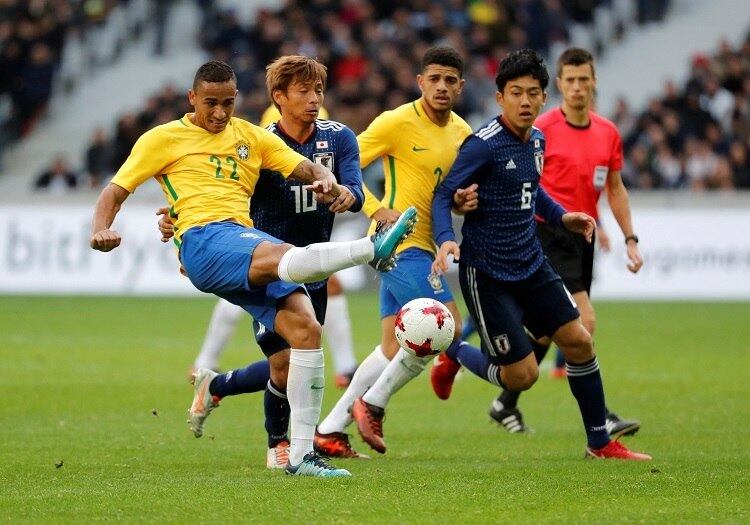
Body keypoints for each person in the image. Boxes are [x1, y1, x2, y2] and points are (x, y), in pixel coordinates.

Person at [90, 60, 417, 478]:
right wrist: (101, 229)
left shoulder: (251, 137)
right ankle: (370, 249)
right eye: (210, 103)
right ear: (192, 98)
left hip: (245, 243)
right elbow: (114, 191)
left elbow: (305, 166)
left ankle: (300, 457)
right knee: (284, 258)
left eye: (228, 103)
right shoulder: (162, 138)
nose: (220, 113)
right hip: (207, 240)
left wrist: (325, 181)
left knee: (306, 333)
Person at [430, 49, 651, 460]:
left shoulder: (538, 139)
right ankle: (455, 352)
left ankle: (599, 443)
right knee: (524, 375)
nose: (526, 101)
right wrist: (446, 238)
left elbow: (534, 193)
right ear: (500, 97)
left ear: (543, 97)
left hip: (532, 264)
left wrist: (563, 216)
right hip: (488, 273)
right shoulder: (482, 145)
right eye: (516, 93)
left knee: (579, 342)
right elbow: (443, 194)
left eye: (533, 93)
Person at [160, 56, 363, 469]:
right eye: (303, 91)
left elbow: (356, 188)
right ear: (279, 97)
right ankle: (279, 446)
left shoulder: (340, 139)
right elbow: (218, 196)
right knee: (283, 364)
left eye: (318, 91)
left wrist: (347, 196)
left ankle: (216, 384)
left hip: (317, 265)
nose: (313, 100)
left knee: (299, 356)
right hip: (266, 264)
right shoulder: (254, 142)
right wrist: (179, 226)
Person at [314, 46, 482, 457]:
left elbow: (448, 195)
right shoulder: (397, 122)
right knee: (444, 326)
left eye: (450, 80)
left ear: (460, 86)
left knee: (393, 349)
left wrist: (463, 202)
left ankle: (330, 430)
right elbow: (343, 163)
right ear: (420, 81)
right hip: (396, 244)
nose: (441, 87)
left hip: (428, 246)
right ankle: (373, 404)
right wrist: (374, 207)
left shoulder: (462, 132)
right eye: (434, 79)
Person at [484, 48, 643, 437]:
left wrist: (628, 237)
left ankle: (504, 401)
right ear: (558, 84)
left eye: (583, 80)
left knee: (548, 327)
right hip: (545, 233)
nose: (576, 87)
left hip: (582, 236)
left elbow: (614, 189)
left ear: (594, 83)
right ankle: (600, 417)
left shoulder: (608, 132)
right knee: (583, 321)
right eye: (569, 80)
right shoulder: (543, 129)